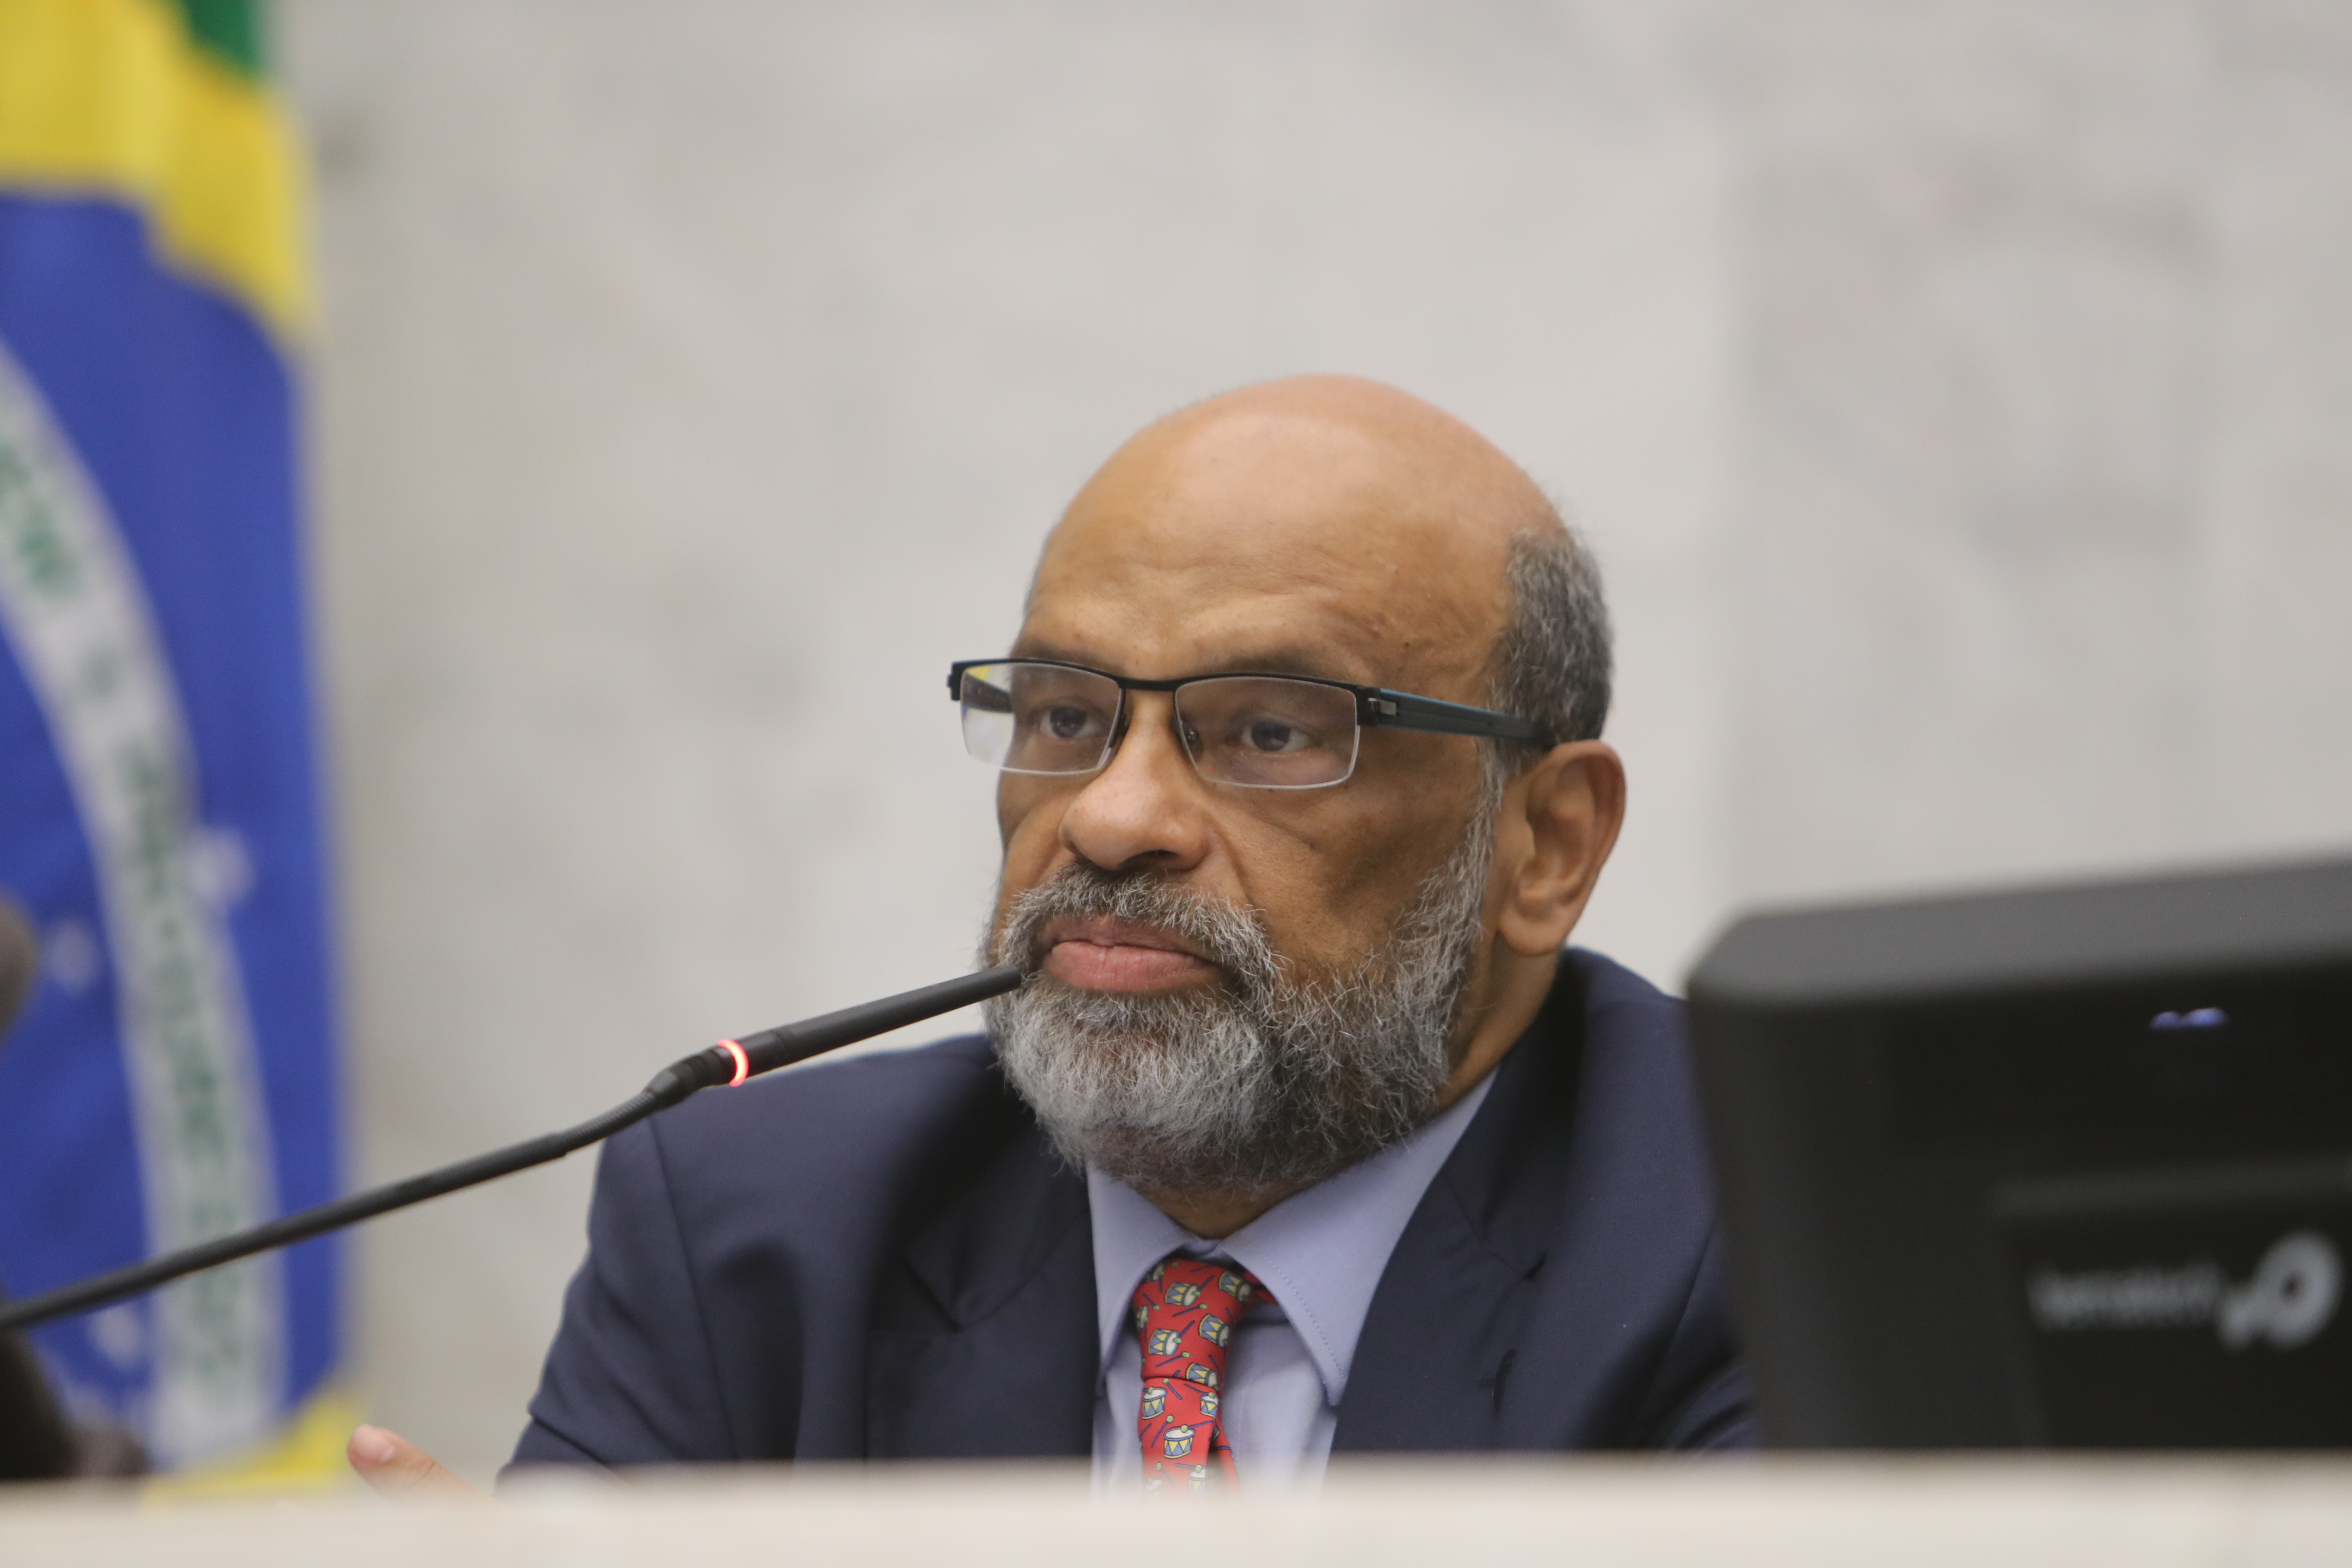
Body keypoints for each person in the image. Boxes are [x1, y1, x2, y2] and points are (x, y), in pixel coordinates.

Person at [349, 374, 1753, 1496]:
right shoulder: (754, 1228)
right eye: (1067, 716)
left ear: (1546, 843)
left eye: (1272, 732)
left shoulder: (1759, 1232)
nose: (1111, 817)